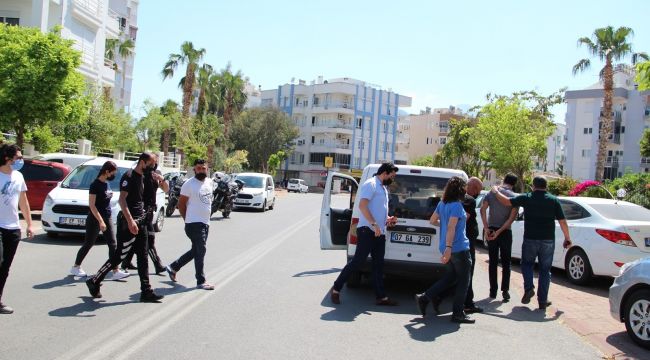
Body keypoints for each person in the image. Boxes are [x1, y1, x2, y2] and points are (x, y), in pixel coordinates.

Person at [85, 152, 164, 302]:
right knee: (119, 256)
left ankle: (146, 291)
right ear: (142, 162)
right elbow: (122, 200)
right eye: (151, 163)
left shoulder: (144, 177)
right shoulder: (129, 176)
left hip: (141, 223)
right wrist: (130, 221)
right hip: (129, 222)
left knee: (143, 257)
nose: (153, 166)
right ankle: (94, 280)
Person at [491, 176, 572, 310]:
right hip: (547, 240)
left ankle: (529, 288)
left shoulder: (527, 197)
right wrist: (567, 238)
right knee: (545, 271)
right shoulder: (553, 200)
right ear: (546, 187)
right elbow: (562, 221)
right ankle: (542, 301)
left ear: (533, 186)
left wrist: (495, 191)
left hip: (530, 239)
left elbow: (506, 202)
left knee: (527, 264)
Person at [330, 162, 399, 306]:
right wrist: (374, 224)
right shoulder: (371, 184)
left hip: (379, 233)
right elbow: (362, 206)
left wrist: (388, 219)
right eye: (392, 175)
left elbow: (378, 210)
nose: (393, 178)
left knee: (378, 265)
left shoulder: (383, 188)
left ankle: (381, 297)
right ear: (385, 173)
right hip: (367, 231)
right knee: (357, 262)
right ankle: (336, 288)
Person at [415, 176, 475, 324]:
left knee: (451, 277)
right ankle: (458, 314)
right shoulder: (456, 206)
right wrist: (449, 247)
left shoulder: (443, 204)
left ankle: (425, 297)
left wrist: (446, 245)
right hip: (458, 248)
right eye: (464, 187)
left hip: (446, 247)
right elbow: (451, 227)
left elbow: (432, 221)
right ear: (460, 189)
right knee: (463, 281)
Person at [70, 161, 129, 280]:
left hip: (107, 217)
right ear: (107, 171)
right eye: (113, 172)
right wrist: (100, 221)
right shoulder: (95, 185)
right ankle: (76, 267)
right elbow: (92, 205)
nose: (114, 175)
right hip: (95, 219)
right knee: (88, 243)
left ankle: (115, 270)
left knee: (113, 244)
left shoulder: (106, 184)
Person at [165, 159, 215, 290]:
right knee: (201, 250)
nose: (201, 170)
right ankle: (201, 281)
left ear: (207, 169)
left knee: (197, 250)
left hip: (205, 223)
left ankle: (173, 267)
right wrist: (187, 219)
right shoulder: (189, 184)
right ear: (194, 169)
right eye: (199, 168)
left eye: (203, 168)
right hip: (193, 223)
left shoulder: (209, 182)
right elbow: (181, 204)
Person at [0, 144, 34, 314]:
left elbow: (23, 201)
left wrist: (29, 224)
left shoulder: (19, 176)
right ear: (7, 157)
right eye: (18, 157)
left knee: (4, 268)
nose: (21, 160)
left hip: (13, 228)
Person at [121, 154, 168, 274]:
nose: (153, 166)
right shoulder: (140, 176)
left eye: (155, 163)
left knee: (137, 240)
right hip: (142, 212)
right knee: (149, 240)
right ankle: (157, 265)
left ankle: (125, 262)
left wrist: (161, 179)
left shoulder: (153, 176)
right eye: (152, 163)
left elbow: (166, 189)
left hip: (150, 211)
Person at [481, 173, 518, 302]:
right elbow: (511, 218)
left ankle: (493, 290)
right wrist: (501, 230)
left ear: (504, 180)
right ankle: (505, 291)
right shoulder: (513, 196)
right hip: (505, 231)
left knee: (493, 261)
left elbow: (482, 209)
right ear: (514, 184)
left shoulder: (491, 193)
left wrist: (486, 228)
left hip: (491, 229)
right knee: (506, 263)